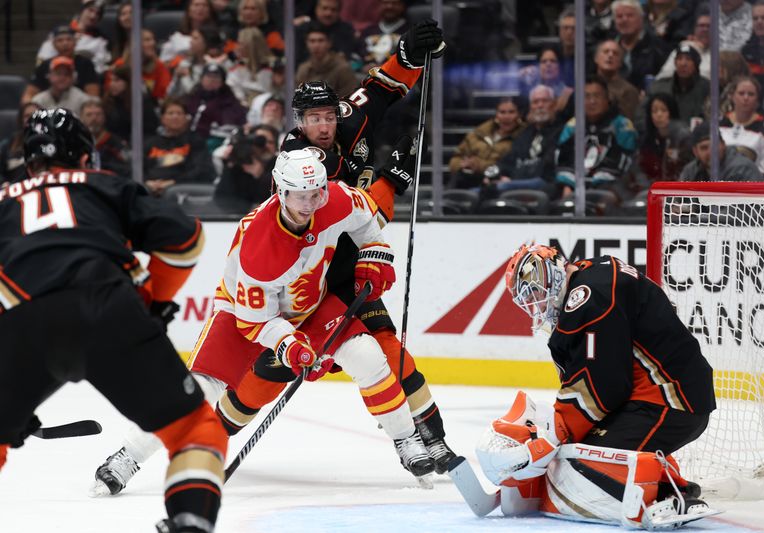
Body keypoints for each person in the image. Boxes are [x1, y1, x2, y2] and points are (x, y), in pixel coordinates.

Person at [91, 148, 436, 496]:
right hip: (241, 313)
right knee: (197, 389)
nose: (309, 203)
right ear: (280, 191)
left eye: (315, 192)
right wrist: (288, 344)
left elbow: (366, 221)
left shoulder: (335, 199)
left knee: (367, 354)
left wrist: (373, 256)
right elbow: (256, 322)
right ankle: (127, 457)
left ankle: (407, 442)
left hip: (310, 305)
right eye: (300, 195)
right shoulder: (259, 247)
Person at [0, 108, 226, 533]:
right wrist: (155, 301)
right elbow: (187, 240)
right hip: (110, 308)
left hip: (26, 321)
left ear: (28, 163)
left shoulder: (4, 200)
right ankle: (191, 521)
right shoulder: (106, 186)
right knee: (195, 428)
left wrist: (12, 378)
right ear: (87, 159)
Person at [280, 19, 456, 474]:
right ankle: (209, 429)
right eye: (312, 119)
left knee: (389, 351)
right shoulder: (298, 163)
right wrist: (388, 182)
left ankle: (429, 439)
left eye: (327, 116)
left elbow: (381, 88)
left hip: (349, 269)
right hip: (306, 284)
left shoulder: (348, 117)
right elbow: (344, 217)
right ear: (299, 123)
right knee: (260, 374)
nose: (322, 125)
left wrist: (409, 54)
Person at [473, 243, 717, 528]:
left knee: (572, 467)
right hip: (663, 396)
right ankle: (667, 483)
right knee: (574, 453)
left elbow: (603, 385)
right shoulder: (592, 276)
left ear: (551, 272)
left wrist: (554, 436)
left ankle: (662, 497)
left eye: (536, 292)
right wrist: (559, 431)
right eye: (529, 298)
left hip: (670, 402)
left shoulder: (588, 296)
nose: (537, 304)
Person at [555, 75, 638, 201]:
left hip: (611, 185)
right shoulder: (572, 126)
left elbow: (623, 161)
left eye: (597, 96)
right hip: (574, 184)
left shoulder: (622, 126)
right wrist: (568, 185)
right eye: (587, 97)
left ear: (607, 99)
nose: (592, 101)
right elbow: (563, 158)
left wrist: (595, 185)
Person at [492, 85, 563, 199]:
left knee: (499, 189)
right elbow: (509, 160)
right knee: (478, 191)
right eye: (535, 102)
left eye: (545, 101)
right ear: (531, 107)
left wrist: (510, 180)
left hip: (545, 184)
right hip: (518, 183)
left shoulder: (562, 131)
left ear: (554, 105)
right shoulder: (526, 133)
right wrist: (498, 174)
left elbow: (547, 168)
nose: (540, 105)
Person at [143, 98, 216, 197]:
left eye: (179, 113)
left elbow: (202, 170)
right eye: (170, 113)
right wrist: (148, 182)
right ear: (162, 118)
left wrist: (173, 182)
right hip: (151, 187)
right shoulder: (150, 143)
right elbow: (137, 167)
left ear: (186, 118)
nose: (175, 117)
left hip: (182, 190)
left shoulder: (195, 141)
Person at [448, 98, 525, 190]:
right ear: (496, 115)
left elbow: (509, 166)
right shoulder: (480, 132)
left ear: (519, 115)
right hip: (468, 177)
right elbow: (454, 159)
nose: (506, 117)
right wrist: (463, 164)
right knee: (459, 178)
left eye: (511, 112)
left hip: (497, 180)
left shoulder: (523, 136)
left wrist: (479, 165)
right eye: (502, 112)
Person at [719, 75, 764, 179]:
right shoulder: (718, 124)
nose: (746, 98)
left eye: (751, 94)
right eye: (741, 93)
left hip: (750, 188)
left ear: (757, 100)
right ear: (732, 96)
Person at [21, 25, 100, 105]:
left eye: (69, 39)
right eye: (60, 40)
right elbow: (28, 95)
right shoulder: (45, 65)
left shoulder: (85, 64)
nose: (65, 43)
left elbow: (93, 96)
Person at [213, 124, 278, 212]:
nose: (265, 146)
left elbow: (278, 202)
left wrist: (261, 176)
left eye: (270, 142)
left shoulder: (280, 166)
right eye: (260, 142)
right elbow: (221, 200)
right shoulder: (238, 165)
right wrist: (228, 166)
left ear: (276, 146)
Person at [35, 0, 110, 74]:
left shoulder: (101, 39)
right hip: (56, 74)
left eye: (98, 14)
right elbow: (44, 59)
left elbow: (99, 68)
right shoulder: (60, 32)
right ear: (81, 11)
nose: (93, 16)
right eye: (90, 10)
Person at [611, 0, 670, 90]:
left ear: (641, 19)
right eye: (619, 16)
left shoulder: (658, 48)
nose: (624, 20)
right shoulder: (608, 47)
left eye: (630, 15)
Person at [646, 43, 710, 126]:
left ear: (696, 64)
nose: (683, 64)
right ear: (675, 63)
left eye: (688, 59)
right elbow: (642, 115)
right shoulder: (659, 87)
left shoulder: (707, 88)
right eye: (679, 59)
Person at [636, 93, 692, 184]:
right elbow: (640, 169)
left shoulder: (683, 138)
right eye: (654, 111)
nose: (659, 115)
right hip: (650, 187)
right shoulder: (647, 139)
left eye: (664, 110)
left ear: (672, 112)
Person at [183, 63, 247, 141]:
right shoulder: (191, 98)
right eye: (208, 76)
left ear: (222, 81)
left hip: (212, 140)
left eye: (216, 77)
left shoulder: (229, 102)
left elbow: (230, 125)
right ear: (201, 79)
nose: (212, 80)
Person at [296, 22, 360, 99]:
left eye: (321, 40)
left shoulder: (342, 68)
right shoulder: (303, 69)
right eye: (312, 41)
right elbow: (298, 99)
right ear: (306, 43)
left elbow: (351, 99)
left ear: (329, 43)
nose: (316, 45)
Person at [679, 122, 762, 181]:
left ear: (723, 145)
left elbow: (737, 205)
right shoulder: (690, 171)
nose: (710, 152)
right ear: (695, 152)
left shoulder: (742, 168)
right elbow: (675, 201)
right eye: (704, 148)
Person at [79, 98, 131, 179]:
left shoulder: (116, 143)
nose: (94, 118)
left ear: (104, 117)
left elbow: (128, 167)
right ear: (81, 118)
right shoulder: (77, 142)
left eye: (98, 114)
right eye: (89, 115)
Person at [657, 8, 712, 80]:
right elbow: (663, 76)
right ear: (694, 29)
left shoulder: (720, 52)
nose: (705, 29)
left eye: (709, 26)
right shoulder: (683, 48)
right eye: (701, 25)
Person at [160, 0, 220, 64]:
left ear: (210, 11)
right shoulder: (176, 37)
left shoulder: (218, 35)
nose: (200, 8)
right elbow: (164, 62)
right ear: (188, 10)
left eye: (205, 5)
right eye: (196, 5)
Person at [593, 39, 640, 120]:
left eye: (615, 53)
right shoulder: (585, 86)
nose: (610, 55)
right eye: (606, 52)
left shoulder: (629, 91)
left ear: (620, 62)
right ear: (596, 58)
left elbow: (628, 123)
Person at [357, 0, 409, 74]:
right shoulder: (368, 32)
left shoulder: (410, 32)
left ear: (402, 6)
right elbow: (356, 58)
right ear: (379, 6)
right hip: (367, 77)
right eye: (385, 3)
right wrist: (362, 67)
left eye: (394, 3)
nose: (389, 6)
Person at [0, 103, 41, 184]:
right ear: (21, 119)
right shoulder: (8, 144)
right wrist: (3, 183)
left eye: (35, 115)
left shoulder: (49, 144)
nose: (31, 118)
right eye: (27, 116)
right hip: (12, 190)